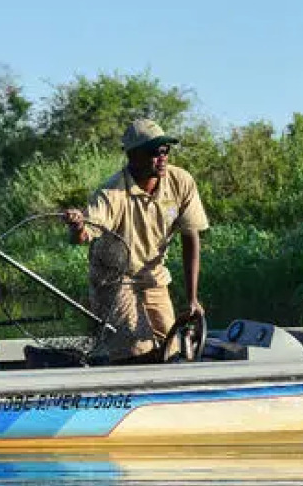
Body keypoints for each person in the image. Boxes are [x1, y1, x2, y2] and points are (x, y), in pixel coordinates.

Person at [63, 118, 210, 361]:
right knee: (135, 349)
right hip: (114, 280)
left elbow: (190, 236)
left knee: (171, 349)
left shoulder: (180, 181)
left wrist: (193, 298)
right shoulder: (112, 192)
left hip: (154, 277)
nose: (162, 157)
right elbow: (83, 234)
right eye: (154, 152)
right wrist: (78, 225)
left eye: (165, 150)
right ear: (134, 156)